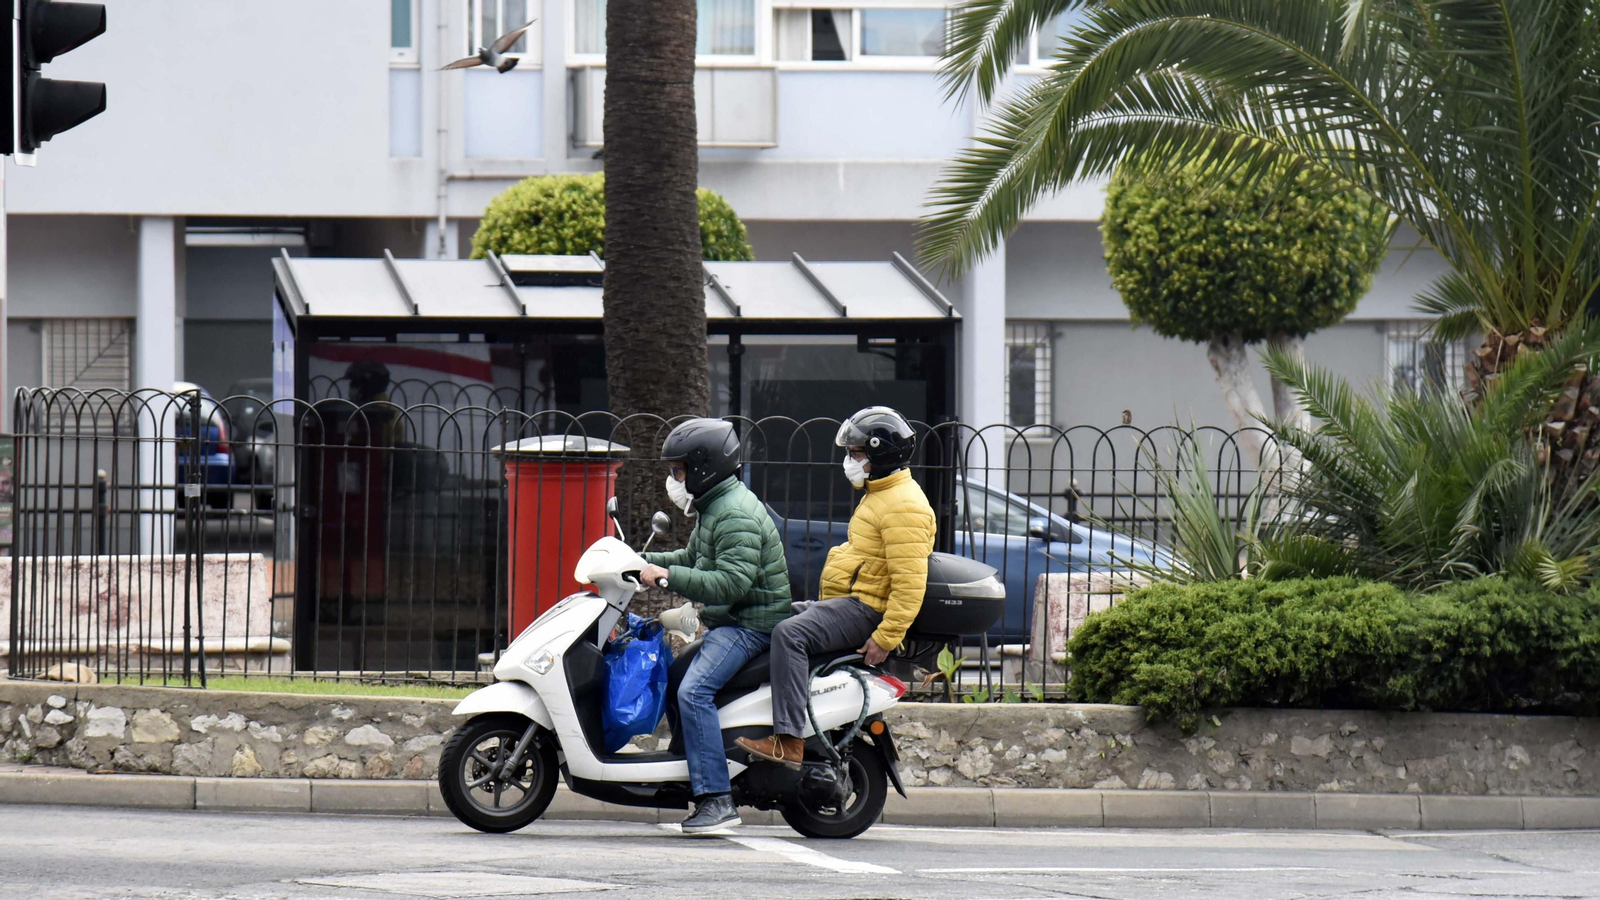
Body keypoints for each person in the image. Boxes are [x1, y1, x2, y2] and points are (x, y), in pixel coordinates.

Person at [735, 406, 935, 769]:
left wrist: (886, 637)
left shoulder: (904, 505)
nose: (849, 460)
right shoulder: (881, 493)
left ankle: (788, 739)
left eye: (856, 453)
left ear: (880, 454)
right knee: (769, 615)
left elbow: (909, 584)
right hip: (851, 603)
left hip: (866, 610)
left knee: (789, 634)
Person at [637, 418, 793, 834]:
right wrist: (640, 563)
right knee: (674, 676)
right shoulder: (716, 505)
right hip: (732, 621)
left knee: (694, 690)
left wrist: (666, 578)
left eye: (679, 470)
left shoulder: (734, 514)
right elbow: (693, 558)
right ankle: (689, 771)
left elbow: (730, 584)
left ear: (704, 467)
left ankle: (716, 799)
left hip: (750, 625)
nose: (674, 479)